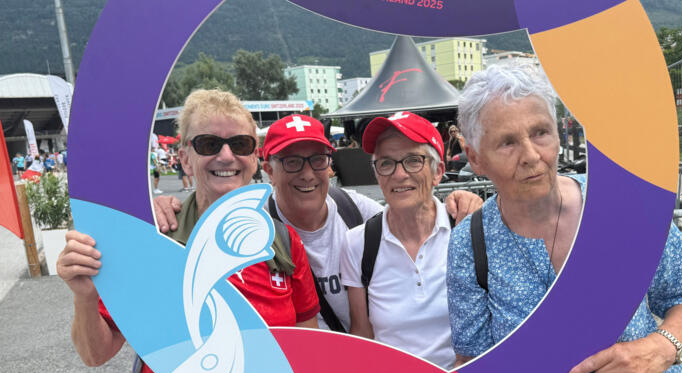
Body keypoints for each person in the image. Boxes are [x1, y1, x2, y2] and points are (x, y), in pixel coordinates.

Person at [447, 64, 682, 373]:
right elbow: (473, 360)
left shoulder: (617, 206)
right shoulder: (470, 243)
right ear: (475, 157)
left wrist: (660, 347)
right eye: (507, 143)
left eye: (540, 133)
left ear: (559, 134)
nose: (531, 156)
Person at [56, 89, 320, 373]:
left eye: (239, 144)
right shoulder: (152, 241)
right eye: (208, 144)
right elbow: (95, 354)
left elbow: (309, 352)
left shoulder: (284, 244)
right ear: (185, 158)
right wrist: (84, 296)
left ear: (254, 158)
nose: (226, 156)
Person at [154, 114, 483, 332]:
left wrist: (465, 203)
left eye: (317, 160)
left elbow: (409, 209)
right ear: (268, 169)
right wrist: (164, 206)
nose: (308, 173)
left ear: (330, 165)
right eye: (293, 161)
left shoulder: (359, 216)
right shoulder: (255, 228)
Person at [339, 112, 455, 368]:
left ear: (438, 172)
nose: (399, 174)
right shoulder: (358, 244)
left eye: (413, 161)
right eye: (386, 163)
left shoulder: (464, 231)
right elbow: (362, 335)